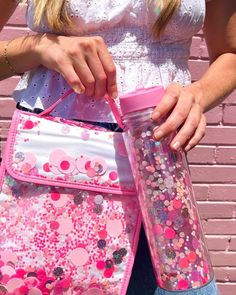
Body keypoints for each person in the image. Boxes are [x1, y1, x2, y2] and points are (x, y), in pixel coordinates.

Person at [0, 0, 235, 294]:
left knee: (187, 286)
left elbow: (230, 52)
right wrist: (38, 48)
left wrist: (197, 95)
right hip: (54, 181)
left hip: (158, 169)